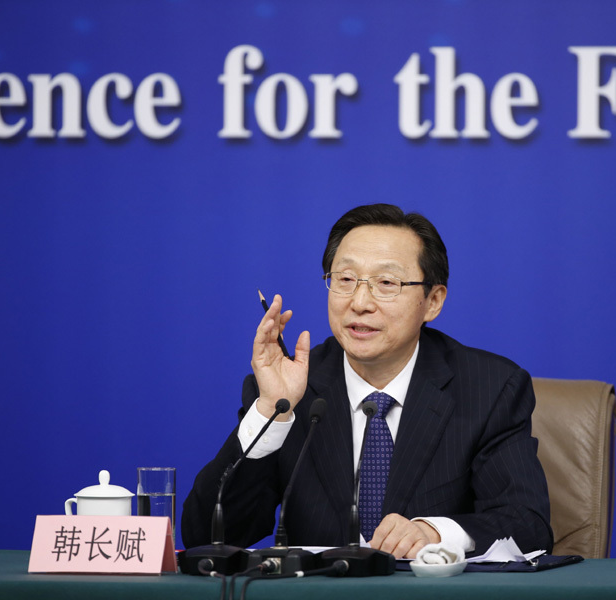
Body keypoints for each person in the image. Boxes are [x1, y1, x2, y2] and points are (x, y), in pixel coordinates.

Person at [182, 204, 553, 559]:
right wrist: (271, 413)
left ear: (433, 301)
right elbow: (205, 537)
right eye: (345, 280)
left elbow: (527, 525)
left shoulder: (490, 388)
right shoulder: (293, 389)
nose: (360, 302)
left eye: (386, 283)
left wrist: (435, 533)